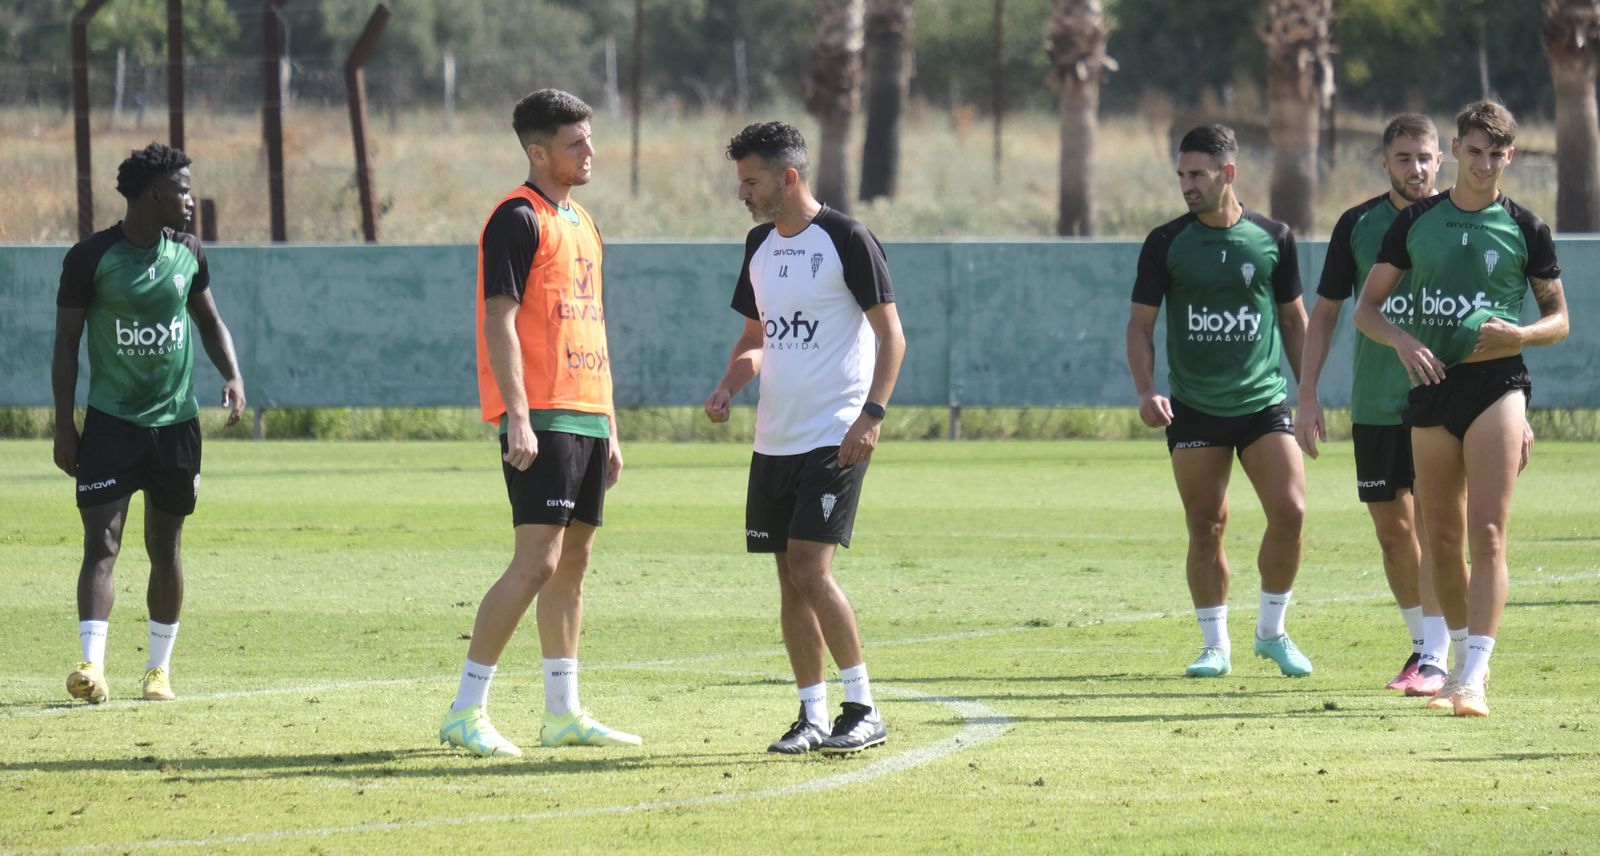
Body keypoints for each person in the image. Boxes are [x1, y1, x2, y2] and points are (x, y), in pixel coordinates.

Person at [439, 89, 638, 757]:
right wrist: (517, 415)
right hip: (543, 415)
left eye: (589, 139)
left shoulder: (583, 221)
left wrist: (610, 425)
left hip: (586, 414)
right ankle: (466, 710)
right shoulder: (516, 218)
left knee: (572, 564)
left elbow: (593, 326)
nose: (590, 152)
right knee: (536, 562)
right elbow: (498, 319)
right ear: (538, 152)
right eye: (575, 143)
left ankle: (563, 713)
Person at [1355, 100, 1568, 717]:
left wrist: (1521, 334)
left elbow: (1559, 319)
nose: (1483, 163)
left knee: (1488, 532)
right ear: (1457, 149)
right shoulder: (1417, 220)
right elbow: (1367, 309)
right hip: (1432, 386)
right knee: (1442, 539)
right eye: (1474, 151)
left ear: (1510, 156)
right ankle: (1453, 660)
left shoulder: (1526, 227)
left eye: (1496, 154)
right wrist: (1403, 342)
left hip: (1497, 383)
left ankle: (1473, 675)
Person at [705, 121, 906, 755]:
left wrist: (872, 415)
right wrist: (729, 385)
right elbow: (755, 340)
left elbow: (893, 337)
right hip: (774, 440)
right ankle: (812, 715)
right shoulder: (757, 245)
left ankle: (863, 708)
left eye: (751, 181)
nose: (742, 193)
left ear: (789, 178)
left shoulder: (847, 238)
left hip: (834, 435)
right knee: (789, 580)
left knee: (810, 571)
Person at [53, 142, 246, 704]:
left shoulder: (188, 251)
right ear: (154, 194)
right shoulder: (90, 258)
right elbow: (66, 344)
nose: (190, 200)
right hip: (111, 425)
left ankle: (158, 671)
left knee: (166, 546)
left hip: (176, 426)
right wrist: (64, 425)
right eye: (183, 190)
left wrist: (233, 375)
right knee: (101, 542)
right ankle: (92, 666)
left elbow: (209, 321)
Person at [1125, 124, 1314, 680]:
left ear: (1228, 173)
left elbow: (1294, 321)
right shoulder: (1166, 242)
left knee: (1291, 511)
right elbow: (1140, 326)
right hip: (1195, 408)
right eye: (1181, 174)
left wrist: (1308, 395)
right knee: (1206, 524)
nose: (1186, 184)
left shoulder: (1274, 237)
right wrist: (1146, 389)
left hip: (1263, 403)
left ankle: (1271, 632)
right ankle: (1215, 646)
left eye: (1197, 174)